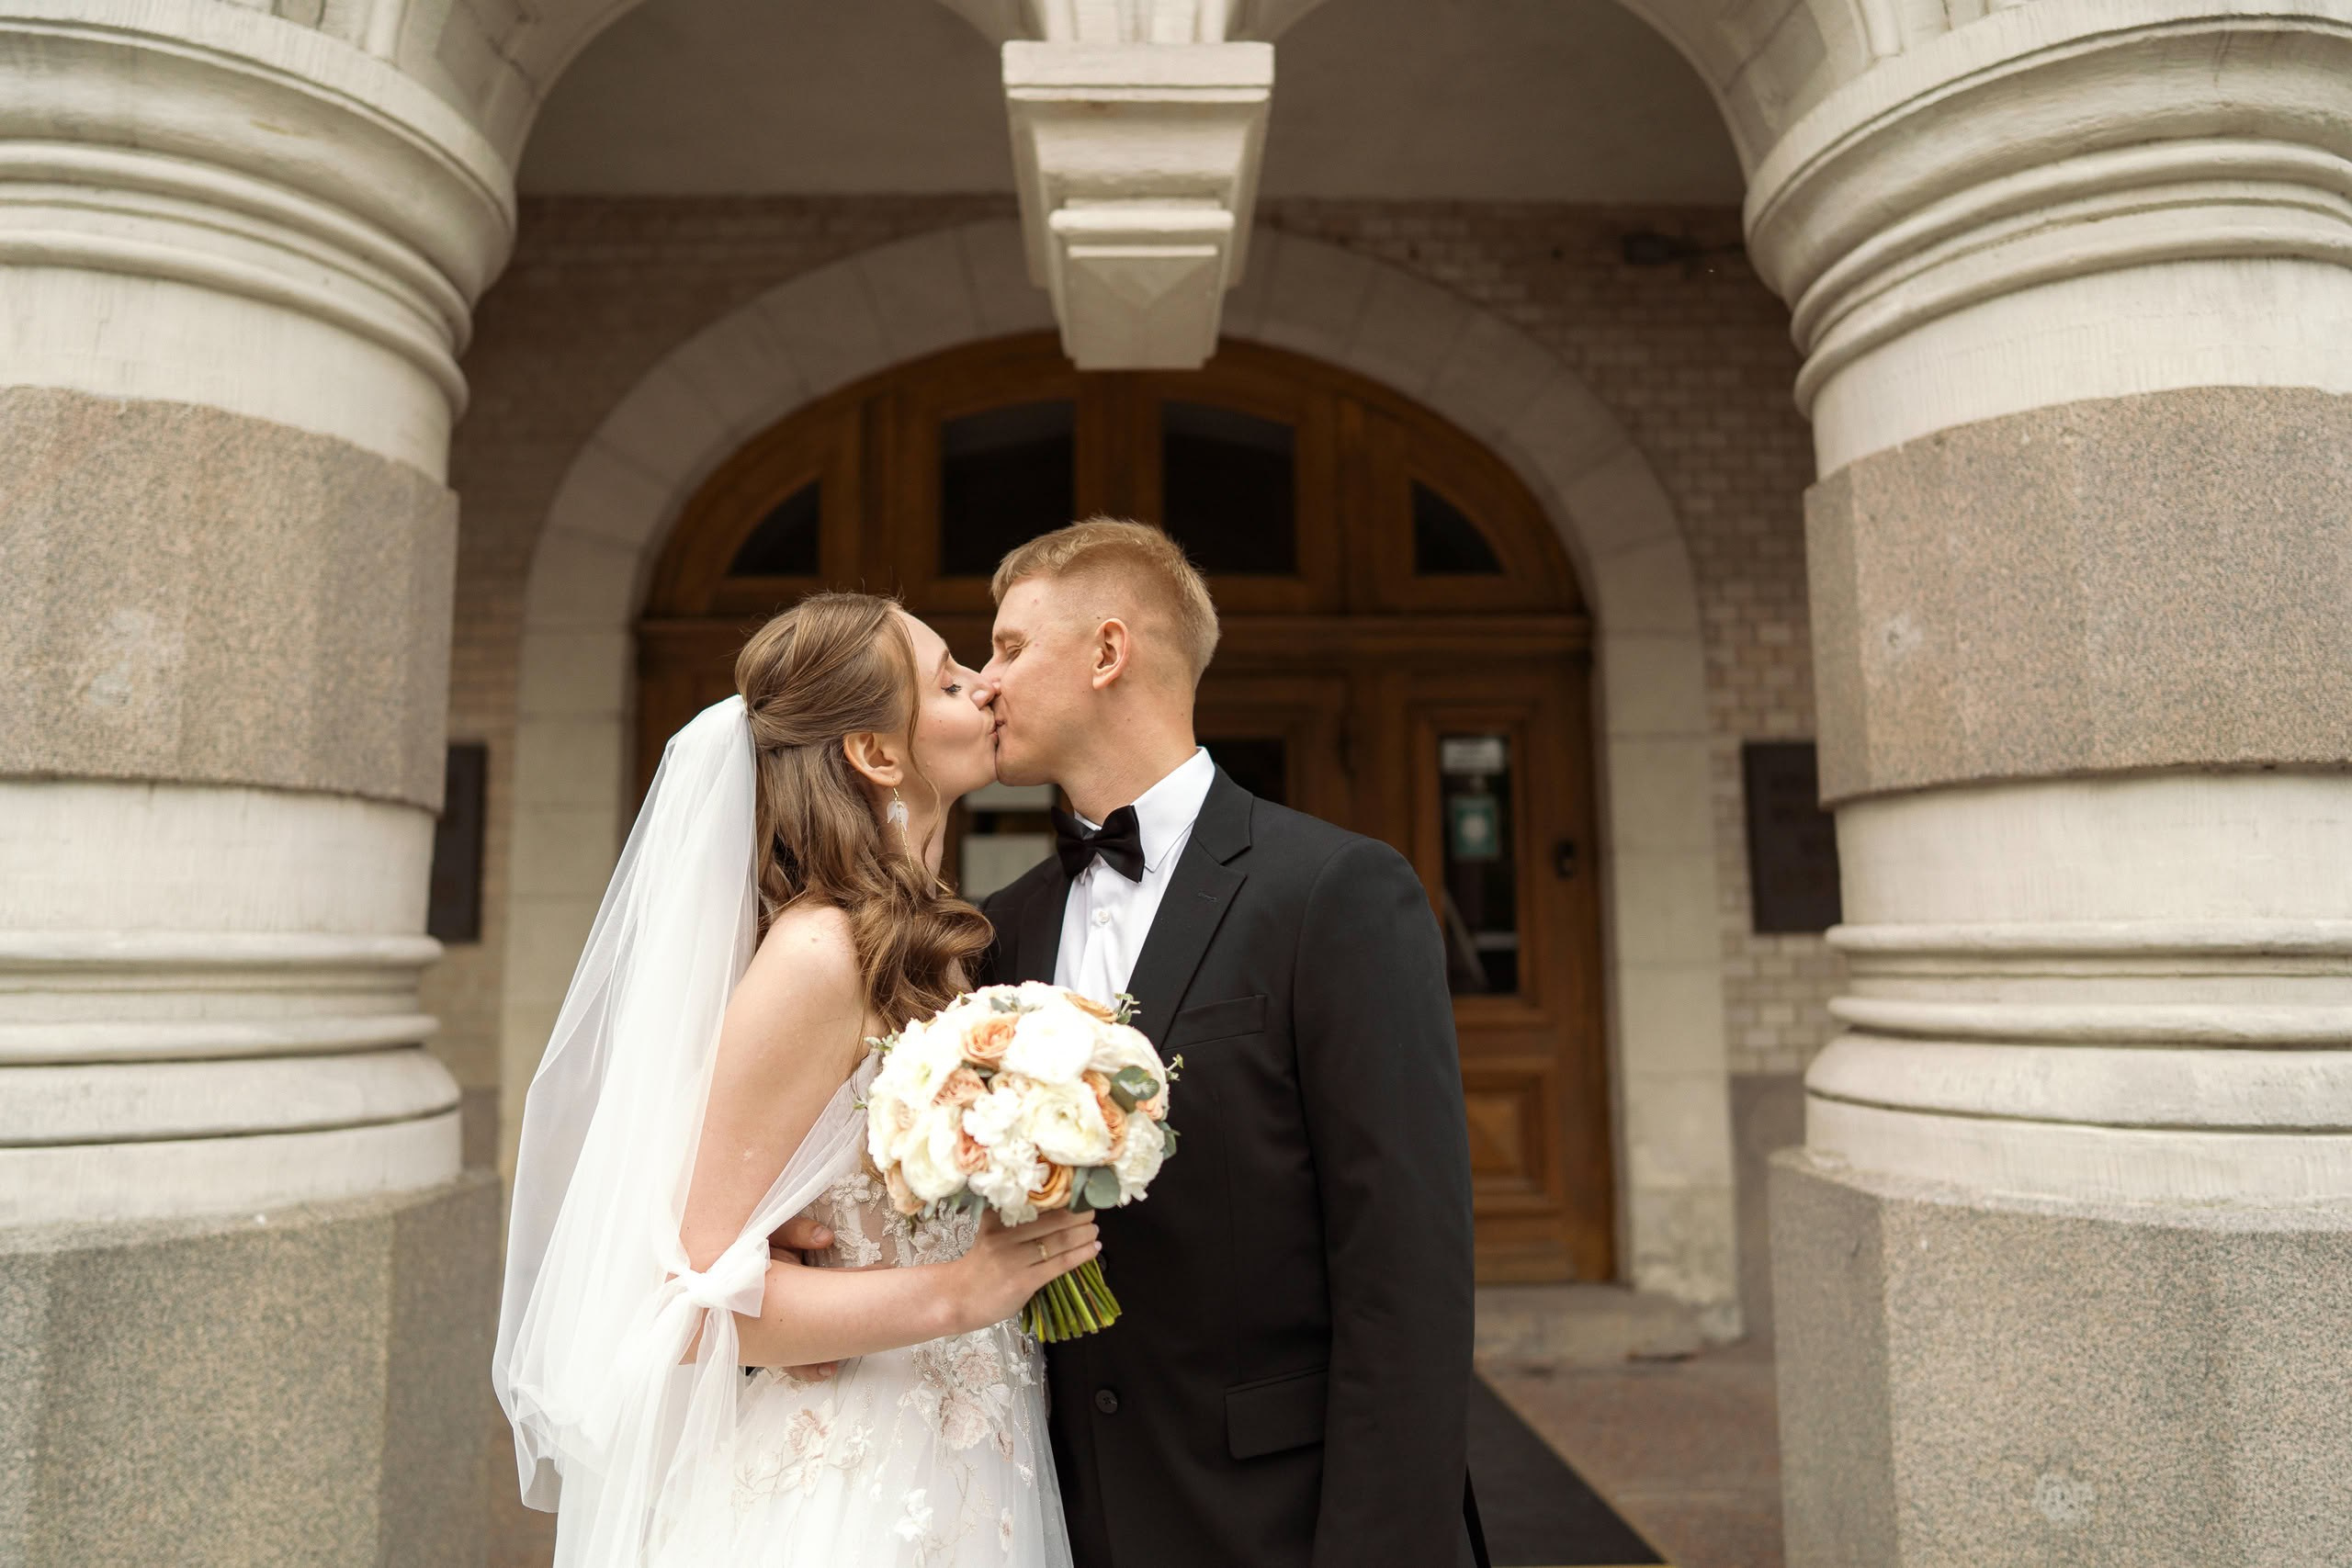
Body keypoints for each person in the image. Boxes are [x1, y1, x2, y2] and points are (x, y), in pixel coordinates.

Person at [492, 592, 1093, 1567]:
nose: (985, 686)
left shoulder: (931, 946)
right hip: (849, 1479)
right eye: (948, 679)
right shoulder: (820, 952)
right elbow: (684, 1306)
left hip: (979, 1455)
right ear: (876, 753)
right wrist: (958, 1291)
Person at [975, 518, 1482, 1568]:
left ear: (1108, 652)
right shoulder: (1003, 926)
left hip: (1271, 1519)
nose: (986, 683)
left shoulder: (1334, 892)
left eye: (1010, 647)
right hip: (1050, 1511)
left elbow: (1406, 1272)